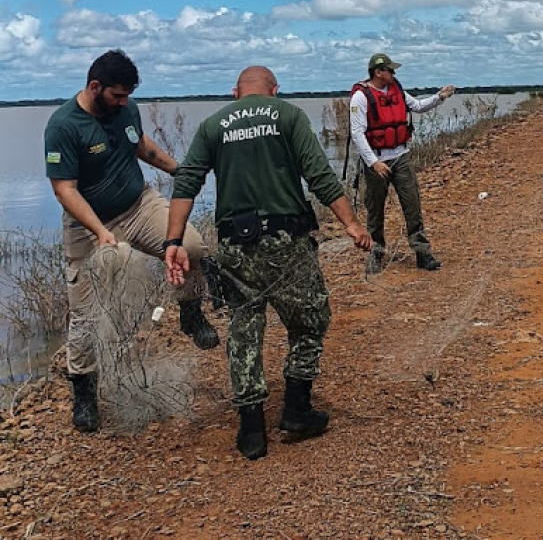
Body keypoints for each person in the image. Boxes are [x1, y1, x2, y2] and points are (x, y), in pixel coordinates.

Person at [165, 66, 373, 460]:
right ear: (274, 91)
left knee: (245, 327)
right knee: (310, 319)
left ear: (235, 92)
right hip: (285, 242)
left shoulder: (213, 124)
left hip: (233, 245)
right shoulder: (288, 115)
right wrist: (350, 222)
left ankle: (252, 429)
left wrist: (174, 240)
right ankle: (295, 409)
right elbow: (318, 175)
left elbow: (187, 180)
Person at [44, 49, 219, 434]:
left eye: (127, 96)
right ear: (95, 87)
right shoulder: (63, 126)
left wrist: (181, 170)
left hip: (139, 204)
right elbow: (65, 191)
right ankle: (85, 391)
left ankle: (190, 312)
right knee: (85, 314)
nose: (125, 103)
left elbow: (140, 145)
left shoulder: (126, 109)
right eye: (117, 96)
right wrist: (102, 233)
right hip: (88, 223)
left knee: (191, 245)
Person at [350, 52, 455, 274]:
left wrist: (440, 96)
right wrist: (374, 162)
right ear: (378, 72)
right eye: (389, 69)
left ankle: (422, 252)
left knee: (412, 204)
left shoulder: (396, 89)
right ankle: (376, 253)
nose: (393, 73)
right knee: (375, 209)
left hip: (401, 156)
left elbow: (417, 106)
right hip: (377, 160)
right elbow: (357, 134)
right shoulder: (361, 97)